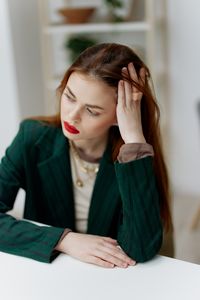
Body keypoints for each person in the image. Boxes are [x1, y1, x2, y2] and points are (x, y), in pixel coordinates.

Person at [0, 43, 173, 268]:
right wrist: (65, 240)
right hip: (49, 272)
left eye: (92, 110)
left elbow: (140, 248)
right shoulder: (32, 138)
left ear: (118, 115)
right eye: (69, 96)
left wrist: (134, 140)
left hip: (109, 278)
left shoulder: (133, 157)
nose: (72, 116)